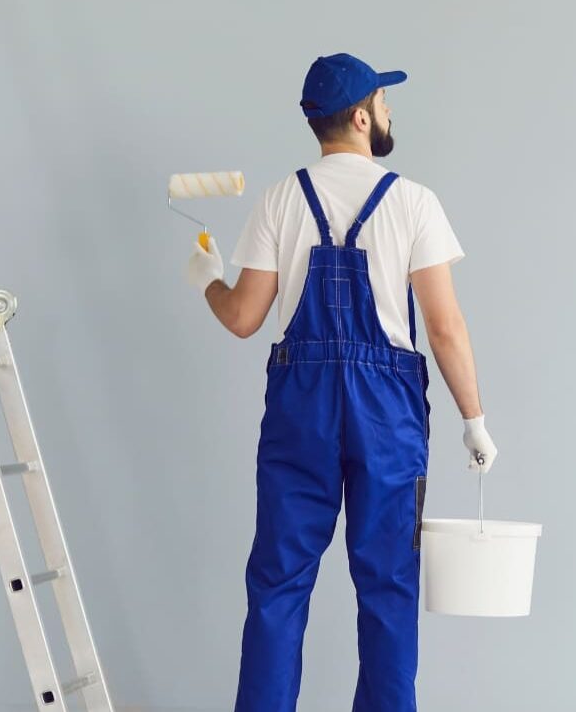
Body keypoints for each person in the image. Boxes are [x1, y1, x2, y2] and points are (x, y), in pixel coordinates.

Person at [186, 52, 499, 712]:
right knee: (387, 585)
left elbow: (243, 318)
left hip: (301, 407)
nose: (389, 112)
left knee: (278, 583)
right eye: (384, 102)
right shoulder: (413, 202)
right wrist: (474, 418)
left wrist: (208, 279)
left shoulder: (280, 199)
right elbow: (444, 327)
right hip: (387, 414)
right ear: (361, 117)